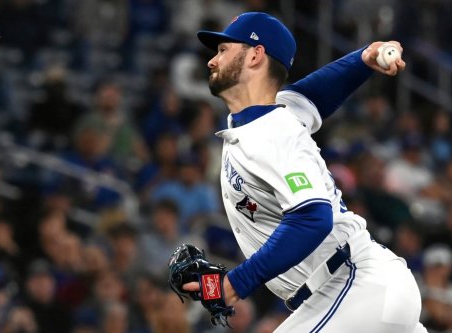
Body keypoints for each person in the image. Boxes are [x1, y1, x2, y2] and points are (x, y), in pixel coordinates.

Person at [183, 12, 428, 332]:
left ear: (255, 55)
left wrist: (235, 282)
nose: (212, 62)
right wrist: (362, 60)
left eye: (224, 50)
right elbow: (312, 95)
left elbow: (312, 216)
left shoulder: (275, 133)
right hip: (347, 294)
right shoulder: (269, 117)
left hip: (354, 286)